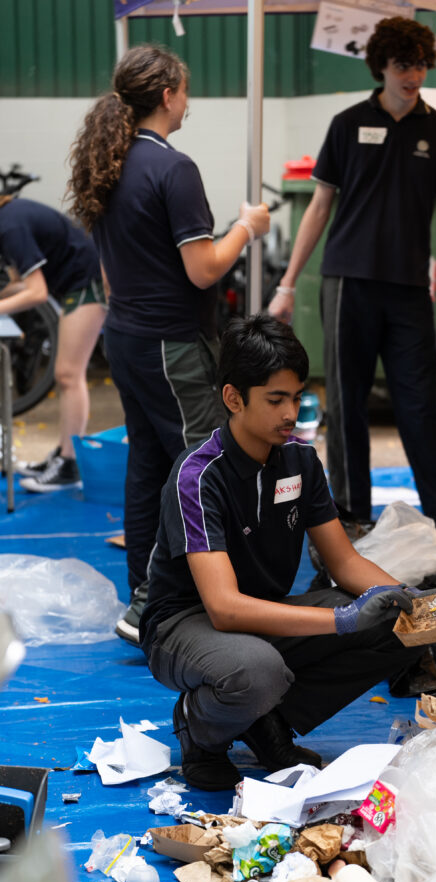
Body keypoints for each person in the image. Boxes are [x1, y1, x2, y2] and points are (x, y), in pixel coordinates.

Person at [139, 314, 432, 790]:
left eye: (297, 397)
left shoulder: (299, 462)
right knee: (258, 670)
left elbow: (345, 562)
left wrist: (412, 601)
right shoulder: (198, 477)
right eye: (276, 400)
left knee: (398, 626)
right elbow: (225, 608)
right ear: (234, 398)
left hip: (262, 618)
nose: (291, 413)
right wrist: (343, 619)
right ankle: (200, 726)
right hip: (186, 625)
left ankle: (265, 722)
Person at [67, 44, 269, 647]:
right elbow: (203, 269)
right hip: (170, 344)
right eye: (186, 90)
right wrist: (246, 228)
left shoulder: (110, 160)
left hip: (127, 337)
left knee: (149, 466)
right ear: (167, 95)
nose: (190, 101)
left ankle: (147, 599)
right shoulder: (172, 167)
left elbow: (110, 268)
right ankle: (156, 603)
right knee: (201, 467)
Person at [268, 16, 436, 528]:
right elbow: (319, 207)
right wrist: (285, 287)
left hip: (411, 288)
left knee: (420, 407)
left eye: (420, 65)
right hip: (349, 284)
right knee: (348, 408)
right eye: (401, 66)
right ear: (381, 67)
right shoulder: (346, 124)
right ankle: (349, 519)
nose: (412, 76)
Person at [0, 195, 106, 491]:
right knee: (68, 375)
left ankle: (69, 465)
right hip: (80, 281)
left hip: (87, 283)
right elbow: (20, 284)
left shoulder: (9, 228)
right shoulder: (8, 220)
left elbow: (36, 292)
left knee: (69, 375)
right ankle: (63, 454)